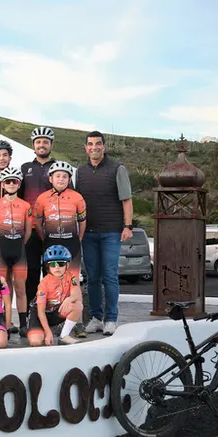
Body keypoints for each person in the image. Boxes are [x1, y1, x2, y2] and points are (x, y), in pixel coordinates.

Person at [76, 131, 133, 336]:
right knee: (92, 278)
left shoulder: (118, 169)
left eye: (98, 144)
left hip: (111, 232)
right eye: (90, 144)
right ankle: (96, 318)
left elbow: (126, 200)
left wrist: (128, 226)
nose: (94, 147)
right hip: (88, 233)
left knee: (110, 276)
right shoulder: (80, 172)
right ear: (86, 148)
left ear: (104, 146)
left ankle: (111, 319)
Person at [0, 167, 33, 335]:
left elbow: (28, 232)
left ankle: (22, 325)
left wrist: (18, 243)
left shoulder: (26, 205)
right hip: (1, 249)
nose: (11, 184)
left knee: (20, 288)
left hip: (19, 250)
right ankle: (4, 323)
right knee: (2, 289)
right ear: (3, 184)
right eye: (8, 181)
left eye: (14, 181)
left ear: (19, 184)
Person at [18, 127, 57, 311]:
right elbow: (14, 193)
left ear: (51, 144)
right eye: (38, 142)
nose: (42, 145)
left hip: (54, 229)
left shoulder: (58, 168)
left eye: (45, 142)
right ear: (33, 145)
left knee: (53, 272)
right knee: (31, 272)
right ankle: (31, 314)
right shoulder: (25, 168)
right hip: (31, 229)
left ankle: (52, 313)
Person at [35, 161, 86, 273]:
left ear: (69, 179)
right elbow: (38, 223)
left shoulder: (77, 197)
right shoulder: (42, 198)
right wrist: (45, 239)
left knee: (73, 280)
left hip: (71, 243)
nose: (61, 179)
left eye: (65, 176)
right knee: (50, 280)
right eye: (57, 176)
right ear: (50, 179)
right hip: (50, 243)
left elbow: (82, 222)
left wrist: (79, 239)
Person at [28, 245, 83, 346]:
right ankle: (48, 330)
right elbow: (40, 311)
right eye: (53, 264)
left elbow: (76, 294)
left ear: (67, 264)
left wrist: (69, 299)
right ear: (48, 266)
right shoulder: (44, 283)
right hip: (39, 315)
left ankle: (64, 336)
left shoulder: (71, 277)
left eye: (61, 263)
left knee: (77, 305)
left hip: (55, 311)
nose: (57, 267)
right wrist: (48, 333)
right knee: (35, 342)